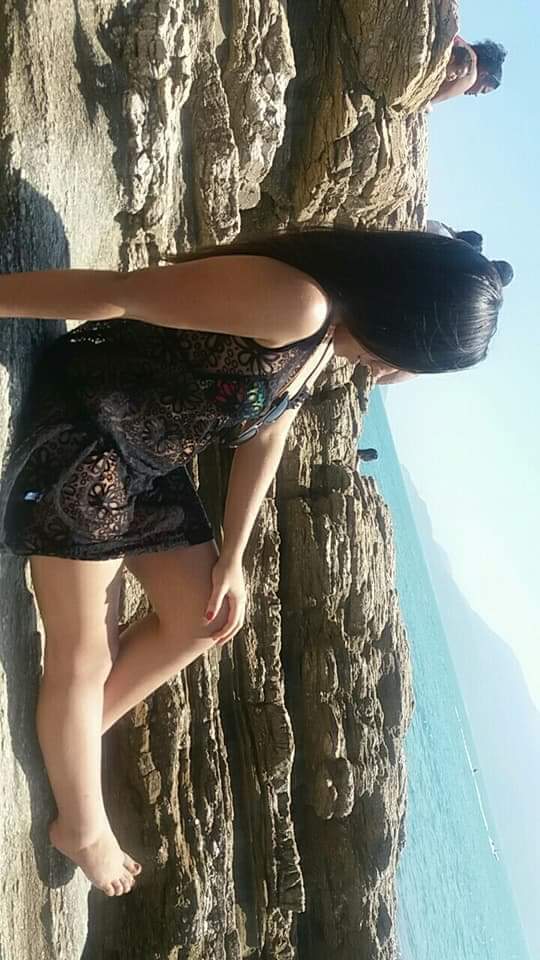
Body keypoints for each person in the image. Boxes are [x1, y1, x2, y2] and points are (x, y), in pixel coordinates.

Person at [0, 227, 506, 897]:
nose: (400, 375)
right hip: (90, 430)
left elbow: (270, 431)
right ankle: (82, 828)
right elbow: (119, 295)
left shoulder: (324, 337)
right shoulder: (298, 303)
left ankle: (75, 737)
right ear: (401, 314)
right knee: (86, 657)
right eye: (416, 357)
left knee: (202, 618)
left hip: (148, 457)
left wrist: (232, 557)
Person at [431, 38, 507, 105]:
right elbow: (427, 102)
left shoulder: (458, 42)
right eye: (483, 90)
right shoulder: (470, 75)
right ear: (483, 75)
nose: (476, 94)